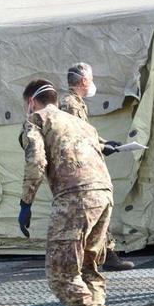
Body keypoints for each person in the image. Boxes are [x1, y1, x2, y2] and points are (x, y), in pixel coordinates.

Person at [18, 79, 113, 306]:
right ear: (56, 100)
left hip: (75, 197)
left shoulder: (37, 119)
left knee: (61, 275)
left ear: (31, 102)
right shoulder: (81, 124)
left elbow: (36, 162)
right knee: (89, 268)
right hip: (104, 195)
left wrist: (25, 202)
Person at [60, 62, 135, 271]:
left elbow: (85, 132)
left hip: (83, 164)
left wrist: (105, 143)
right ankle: (96, 257)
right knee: (87, 211)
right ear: (84, 81)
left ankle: (105, 254)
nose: (92, 84)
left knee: (92, 210)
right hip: (78, 167)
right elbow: (76, 136)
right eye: (91, 79)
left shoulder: (76, 103)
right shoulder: (70, 104)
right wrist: (103, 147)